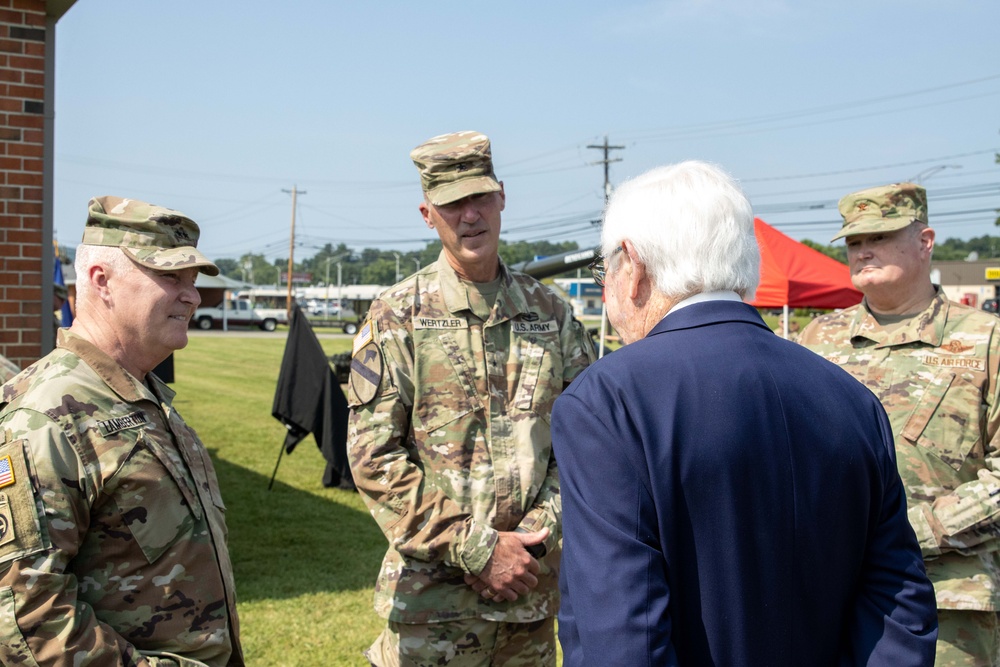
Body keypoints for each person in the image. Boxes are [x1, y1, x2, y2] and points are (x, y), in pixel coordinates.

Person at [551, 161, 938, 666]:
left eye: (604, 272)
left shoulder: (608, 400)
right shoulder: (850, 396)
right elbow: (898, 602)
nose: (606, 291)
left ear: (634, 264)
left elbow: (623, 632)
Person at [347, 130, 595, 666]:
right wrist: (478, 549)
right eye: (451, 204)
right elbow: (373, 458)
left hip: (528, 602)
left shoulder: (550, 315)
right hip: (433, 607)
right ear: (426, 214)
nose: (469, 215)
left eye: (479, 197)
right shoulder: (397, 316)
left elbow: (589, 443)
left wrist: (533, 536)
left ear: (501, 195)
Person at [0, 196, 243, 666]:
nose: (192, 296)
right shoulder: (45, 417)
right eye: (171, 277)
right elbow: (22, 615)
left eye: (192, 281)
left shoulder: (141, 397)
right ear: (101, 280)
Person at [799, 182, 1000, 666]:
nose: (863, 250)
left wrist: (915, 531)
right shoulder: (817, 340)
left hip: (949, 602)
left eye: (881, 236)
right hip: (832, 592)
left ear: (925, 241)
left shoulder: (985, 340)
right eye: (853, 241)